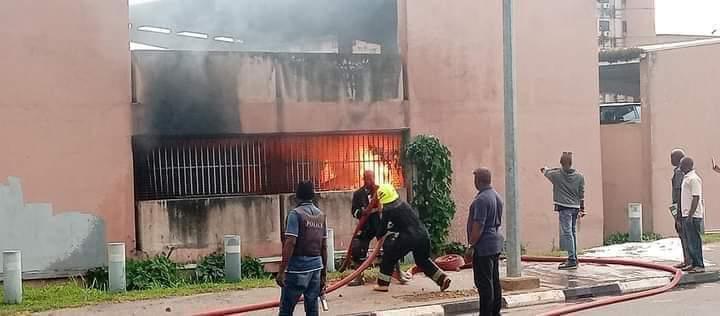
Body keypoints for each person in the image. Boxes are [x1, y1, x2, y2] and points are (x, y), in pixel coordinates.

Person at [373, 184, 452, 292]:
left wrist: (379, 236)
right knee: (422, 260)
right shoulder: (403, 204)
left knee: (389, 257)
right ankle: (442, 279)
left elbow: (382, 229)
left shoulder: (388, 210)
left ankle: (382, 284)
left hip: (409, 237)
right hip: (423, 235)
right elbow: (404, 222)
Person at [347, 171, 408, 286]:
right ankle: (359, 277)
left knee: (391, 246)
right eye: (367, 179)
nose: (370, 181)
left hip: (381, 224)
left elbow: (390, 205)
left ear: (374, 178)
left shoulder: (381, 190)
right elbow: (354, 211)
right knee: (357, 247)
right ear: (363, 179)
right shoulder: (358, 194)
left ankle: (399, 274)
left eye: (371, 178)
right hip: (366, 226)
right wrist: (361, 213)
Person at [277, 181, 328, 316]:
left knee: (286, 309)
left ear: (297, 196)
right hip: (316, 268)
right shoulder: (321, 215)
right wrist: (324, 274)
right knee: (312, 308)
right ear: (312, 196)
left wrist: (282, 270)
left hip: (297, 268)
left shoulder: (295, 214)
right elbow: (324, 247)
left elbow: (290, 243)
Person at [466, 168, 504, 316]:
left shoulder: (482, 199)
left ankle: (486, 313)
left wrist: (471, 246)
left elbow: (478, 225)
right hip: (494, 244)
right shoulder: (496, 196)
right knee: (494, 280)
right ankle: (495, 311)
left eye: (475, 179)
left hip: (483, 246)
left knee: (484, 283)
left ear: (478, 181)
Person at [541, 152, 585, 270]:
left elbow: (544, 171)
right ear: (571, 163)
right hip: (575, 207)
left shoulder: (556, 175)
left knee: (567, 233)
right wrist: (582, 208)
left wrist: (547, 168)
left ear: (561, 163)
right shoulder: (580, 177)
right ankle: (574, 257)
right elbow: (581, 194)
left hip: (564, 207)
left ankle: (571, 259)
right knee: (572, 232)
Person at [679, 157, 705, 273]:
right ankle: (693, 263)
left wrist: (690, 215)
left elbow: (696, 197)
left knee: (694, 240)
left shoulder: (694, 179)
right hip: (686, 215)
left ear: (688, 165)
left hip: (693, 216)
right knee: (690, 241)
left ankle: (699, 264)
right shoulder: (687, 178)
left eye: (682, 165)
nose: (680, 167)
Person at [670, 149, 691, 269]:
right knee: (683, 234)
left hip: (680, 207)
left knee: (684, 233)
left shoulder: (679, 172)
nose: (670, 160)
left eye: (672, 157)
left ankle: (688, 260)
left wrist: (677, 214)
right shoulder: (679, 171)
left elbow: (678, 192)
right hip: (679, 207)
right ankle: (687, 259)